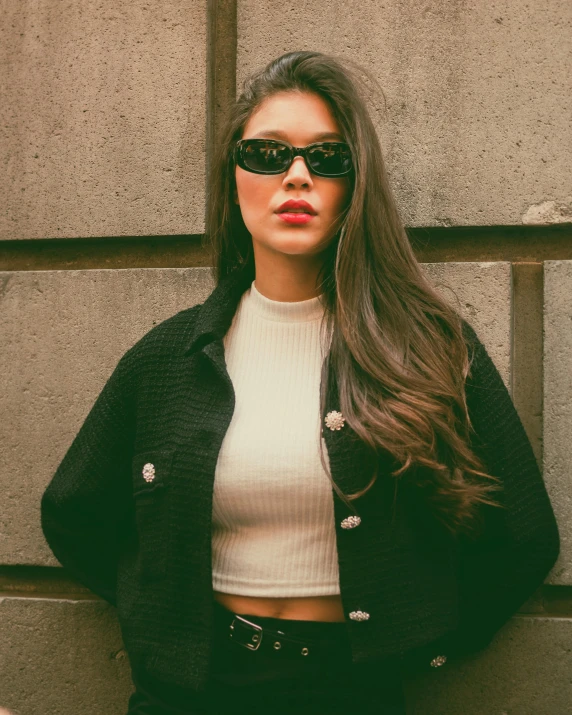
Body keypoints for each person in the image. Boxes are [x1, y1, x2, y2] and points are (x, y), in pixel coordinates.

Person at [40, 51, 560, 714]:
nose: (295, 176)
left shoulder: (430, 347)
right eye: (266, 154)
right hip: (189, 694)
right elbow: (74, 511)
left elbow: (522, 537)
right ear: (232, 177)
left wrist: (426, 642)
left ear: (356, 184)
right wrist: (165, 615)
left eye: (328, 157)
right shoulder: (166, 360)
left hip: (352, 691)